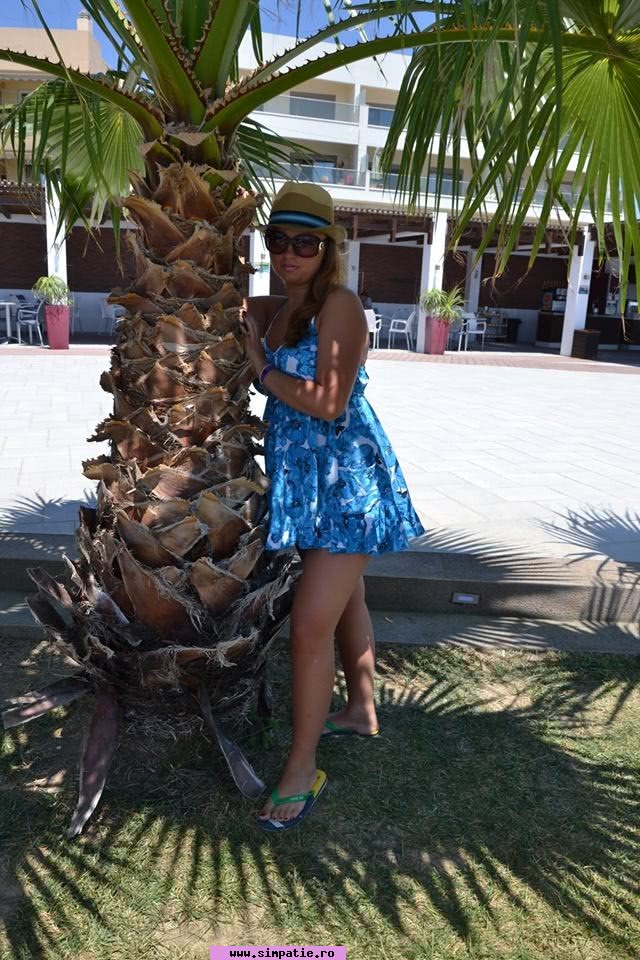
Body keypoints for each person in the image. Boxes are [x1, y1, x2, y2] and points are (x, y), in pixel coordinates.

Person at [240, 182, 424, 832]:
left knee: (309, 625)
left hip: (348, 486)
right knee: (348, 600)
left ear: (328, 248)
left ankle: (301, 770)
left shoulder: (338, 306)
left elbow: (329, 401)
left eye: (305, 242)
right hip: (310, 487)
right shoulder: (283, 307)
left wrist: (261, 368)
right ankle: (361, 709)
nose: (290, 253)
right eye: (278, 240)